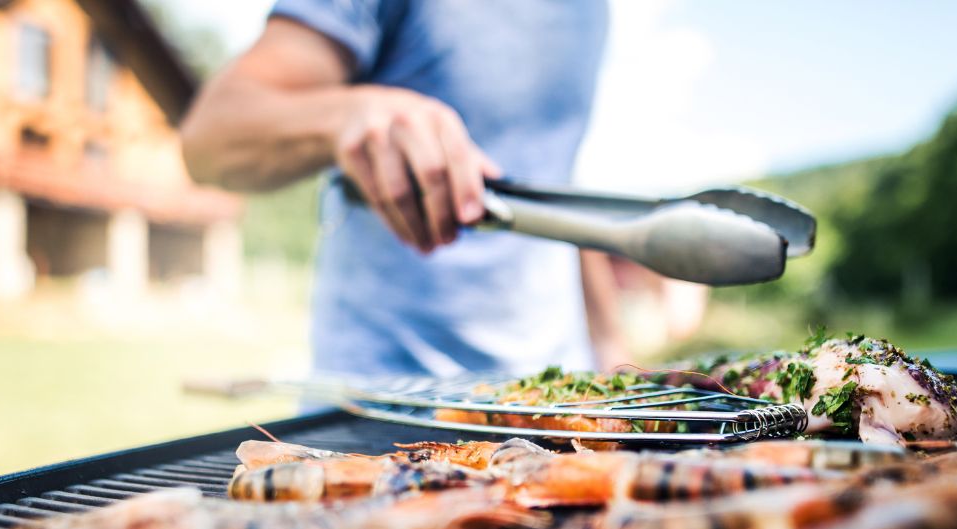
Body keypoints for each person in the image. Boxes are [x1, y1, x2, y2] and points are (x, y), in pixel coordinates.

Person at [181, 1, 628, 377]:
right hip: (381, 403)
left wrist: (610, 346)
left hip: (549, 395)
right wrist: (346, 116)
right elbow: (208, 137)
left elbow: (554, 175)